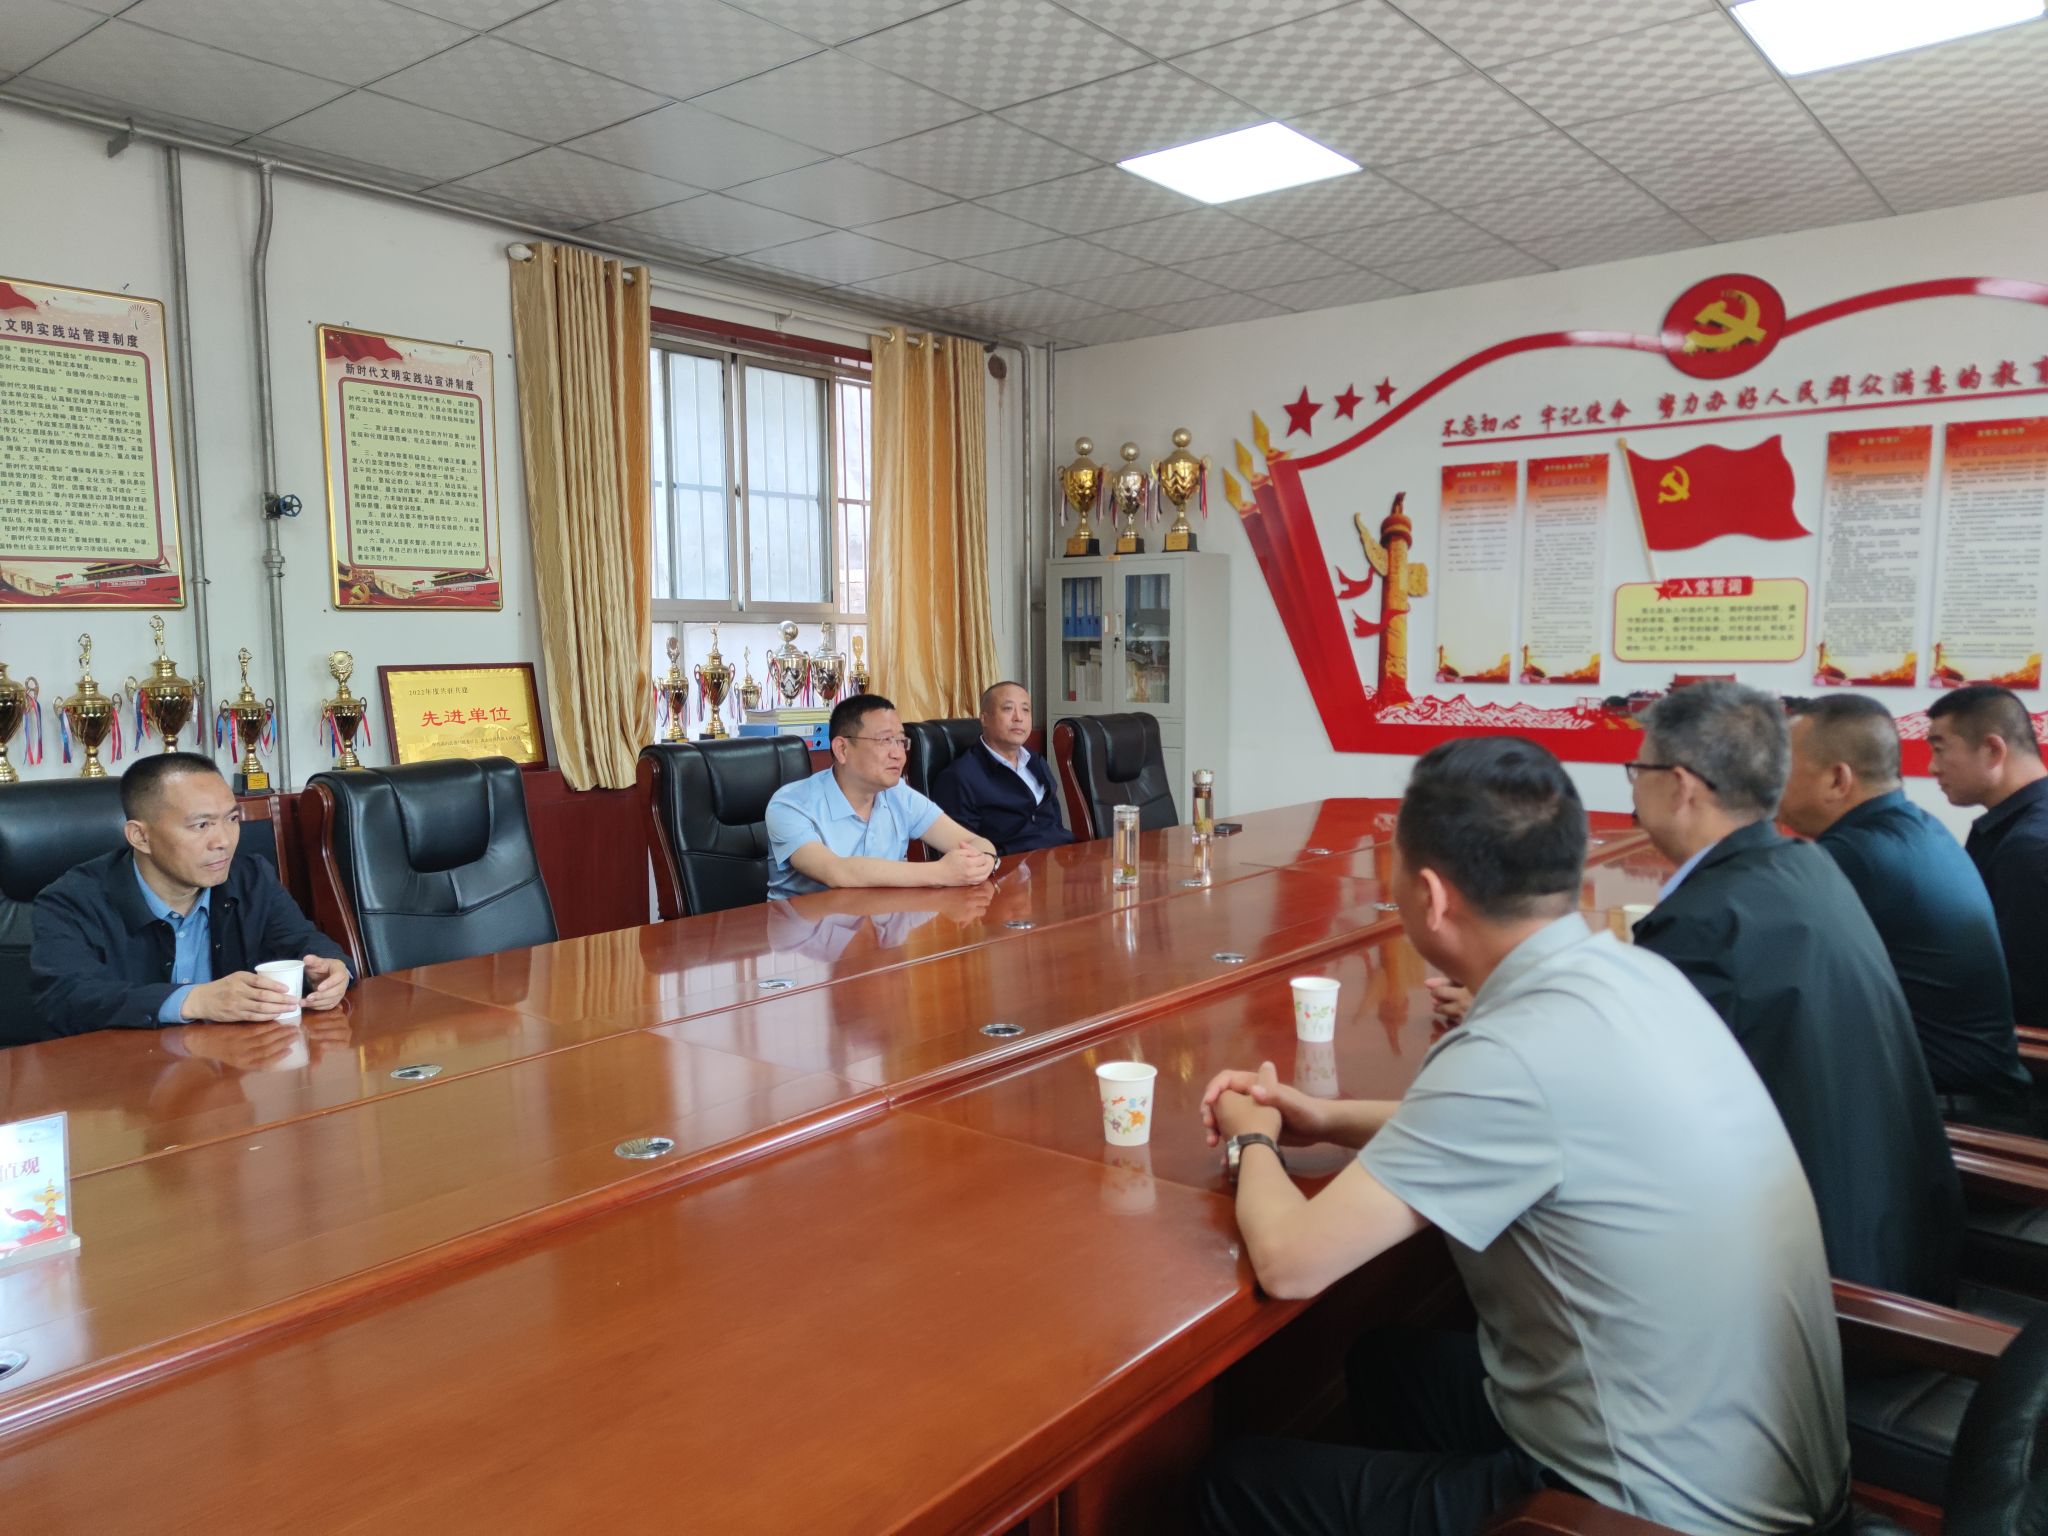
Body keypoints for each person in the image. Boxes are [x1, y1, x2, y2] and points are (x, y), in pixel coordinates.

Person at [1197, 737, 1848, 1536]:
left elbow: (1291, 1263)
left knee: (1232, 1483)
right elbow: (1524, 1129)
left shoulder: (1510, 1054)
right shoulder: (1635, 974)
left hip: (1652, 1514)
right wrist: (1326, 1117)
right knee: (1388, 1365)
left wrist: (1253, 1138)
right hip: (1754, 1461)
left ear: (1429, 896)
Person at [1626, 682, 1961, 1302]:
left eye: (1636, 771)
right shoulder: (1806, 866)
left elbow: (1630, 1120)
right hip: (1892, 1238)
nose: (1632, 788)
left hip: (1815, 1289)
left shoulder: (1702, 925)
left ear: (1679, 785)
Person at [1779, 695, 2032, 1126]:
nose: (1772, 784)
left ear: (1838, 779)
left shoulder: (1854, 856)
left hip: (1943, 1118)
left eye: (1784, 768)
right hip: (1974, 1096)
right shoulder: (1917, 826)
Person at [29, 752, 352, 1039]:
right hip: (123, 1077)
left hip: (230, 1068)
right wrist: (194, 1000)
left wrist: (331, 969)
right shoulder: (72, 900)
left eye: (232, 819)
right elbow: (64, 998)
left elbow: (304, 941)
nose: (223, 841)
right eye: (201, 826)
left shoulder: (251, 877)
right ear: (140, 836)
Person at [764, 694, 998, 899]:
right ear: (842, 749)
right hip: (805, 931)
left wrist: (985, 859)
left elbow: (975, 842)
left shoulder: (899, 794)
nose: (899, 754)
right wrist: (942, 872)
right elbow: (836, 872)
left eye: (901, 741)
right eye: (885, 740)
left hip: (882, 924)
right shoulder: (790, 805)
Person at [1927, 684, 2048, 1030]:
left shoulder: (2028, 849)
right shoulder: (2015, 830)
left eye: (1940, 750)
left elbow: (2023, 995)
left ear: (1993, 750)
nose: (1933, 767)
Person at [930, 681, 1073, 856]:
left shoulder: (1036, 761)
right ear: (984, 719)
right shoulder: (959, 777)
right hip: (1010, 865)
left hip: (1060, 856)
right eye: (1008, 709)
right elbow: (963, 851)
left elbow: (1055, 823)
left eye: (1025, 710)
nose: (1018, 718)